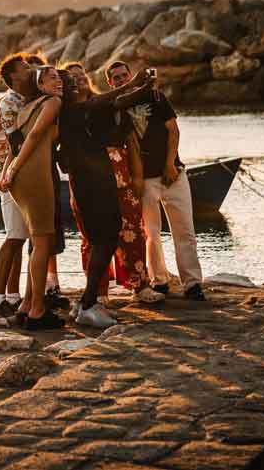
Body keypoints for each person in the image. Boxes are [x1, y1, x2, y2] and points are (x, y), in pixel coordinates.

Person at [56, 63, 164, 329]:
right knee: (102, 240)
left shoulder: (83, 108)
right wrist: (133, 83)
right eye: (71, 81)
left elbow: (115, 102)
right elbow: (105, 101)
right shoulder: (71, 110)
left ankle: (86, 302)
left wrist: (143, 86)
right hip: (90, 183)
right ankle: (89, 304)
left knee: (105, 237)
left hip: (98, 180)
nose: (78, 82)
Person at [106, 60, 205, 301]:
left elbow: (173, 130)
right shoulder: (116, 107)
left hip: (172, 174)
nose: (120, 80)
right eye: (115, 78)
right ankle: (159, 280)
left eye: (123, 75)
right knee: (151, 233)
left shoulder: (155, 97)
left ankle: (192, 283)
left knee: (185, 231)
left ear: (131, 76)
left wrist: (171, 164)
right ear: (110, 83)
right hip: (144, 180)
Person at [0, 65, 64, 330]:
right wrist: (11, 170)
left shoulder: (27, 106)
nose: (58, 81)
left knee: (38, 243)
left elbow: (14, 142)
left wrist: (7, 171)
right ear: (41, 85)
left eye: (59, 77)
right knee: (42, 244)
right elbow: (35, 136)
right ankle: (37, 310)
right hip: (34, 176)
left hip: (21, 178)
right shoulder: (53, 103)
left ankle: (26, 304)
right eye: (52, 78)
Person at [0, 53, 39, 317]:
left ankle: (12, 295)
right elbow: (16, 141)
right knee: (14, 237)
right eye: (26, 67)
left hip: (15, 173)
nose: (31, 69)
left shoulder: (20, 99)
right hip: (7, 175)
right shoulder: (11, 104)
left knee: (18, 237)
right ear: (14, 77)